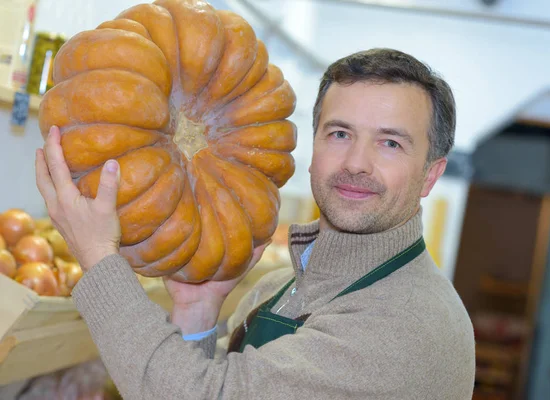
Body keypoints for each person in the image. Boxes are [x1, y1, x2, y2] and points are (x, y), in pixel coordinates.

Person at [35, 48, 475, 399]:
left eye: (391, 143)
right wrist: (197, 315)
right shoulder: (282, 287)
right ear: (315, 144)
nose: (356, 163)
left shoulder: (408, 326)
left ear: (431, 175)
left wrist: (98, 257)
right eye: (339, 134)